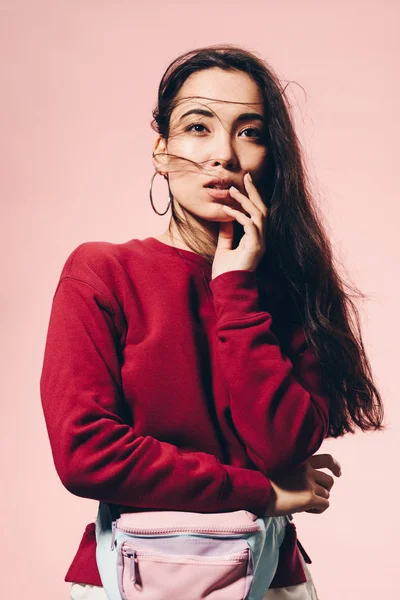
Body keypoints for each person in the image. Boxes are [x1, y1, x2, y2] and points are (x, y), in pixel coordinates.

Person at [40, 44, 385, 600]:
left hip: (270, 583)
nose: (223, 153)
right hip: (129, 578)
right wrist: (262, 492)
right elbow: (87, 454)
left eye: (249, 132)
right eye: (197, 127)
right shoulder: (102, 272)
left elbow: (283, 446)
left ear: (271, 156)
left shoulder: (291, 290)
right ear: (161, 149)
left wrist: (235, 290)